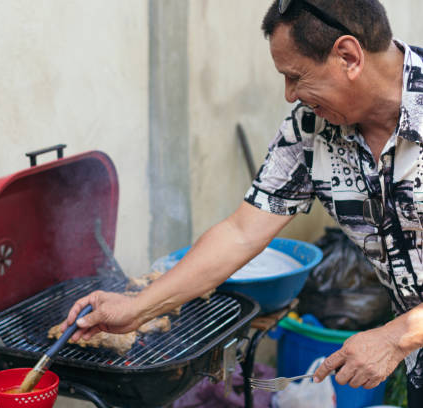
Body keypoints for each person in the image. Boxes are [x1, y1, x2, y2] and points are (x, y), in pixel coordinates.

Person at [62, 0, 423, 406]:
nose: (289, 97)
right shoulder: (311, 129)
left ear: (348, 56)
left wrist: (396, 336)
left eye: (295, 77)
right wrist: (136, 308)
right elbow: (240, 232)